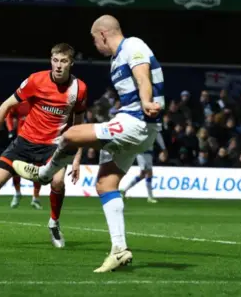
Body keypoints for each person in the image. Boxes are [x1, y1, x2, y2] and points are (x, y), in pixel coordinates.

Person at [13, 15, 164, 272]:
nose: (95, 45)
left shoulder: (132, 46)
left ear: (103, 34)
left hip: (137, 121)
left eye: (95, 40)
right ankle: (119, 249)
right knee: (105, 184)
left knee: (71, 134)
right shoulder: (117, 59)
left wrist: (147, 101)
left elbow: (143, 76)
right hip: (138, 125)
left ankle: (43, 174)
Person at [0, 43, 86, 248]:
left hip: (54, 146)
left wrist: (76, 159)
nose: (58, 65)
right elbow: (6, 105)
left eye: (63, 61)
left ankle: (54, 223)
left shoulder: (79, 89)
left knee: (58, 183)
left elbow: (79, 126)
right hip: (24, 143)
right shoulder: (35, 80)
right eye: (55, 60)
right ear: (50, 60)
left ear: (71, 63)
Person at [5, 100, 43, 209]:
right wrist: (10, 129)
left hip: (38, 140)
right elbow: (9, 115)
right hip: (21, 140)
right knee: (15, 168)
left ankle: (35, 198)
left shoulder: (41, 102)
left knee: (37, 169)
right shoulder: (19, 102)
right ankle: (17, 193)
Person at [120, 130, 166, 203]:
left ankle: (124, 190)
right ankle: (150, 197)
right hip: (144, 153)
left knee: (143, 174)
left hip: (146, 153)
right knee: (148, 172)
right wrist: (163, 148)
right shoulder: (146, 127)